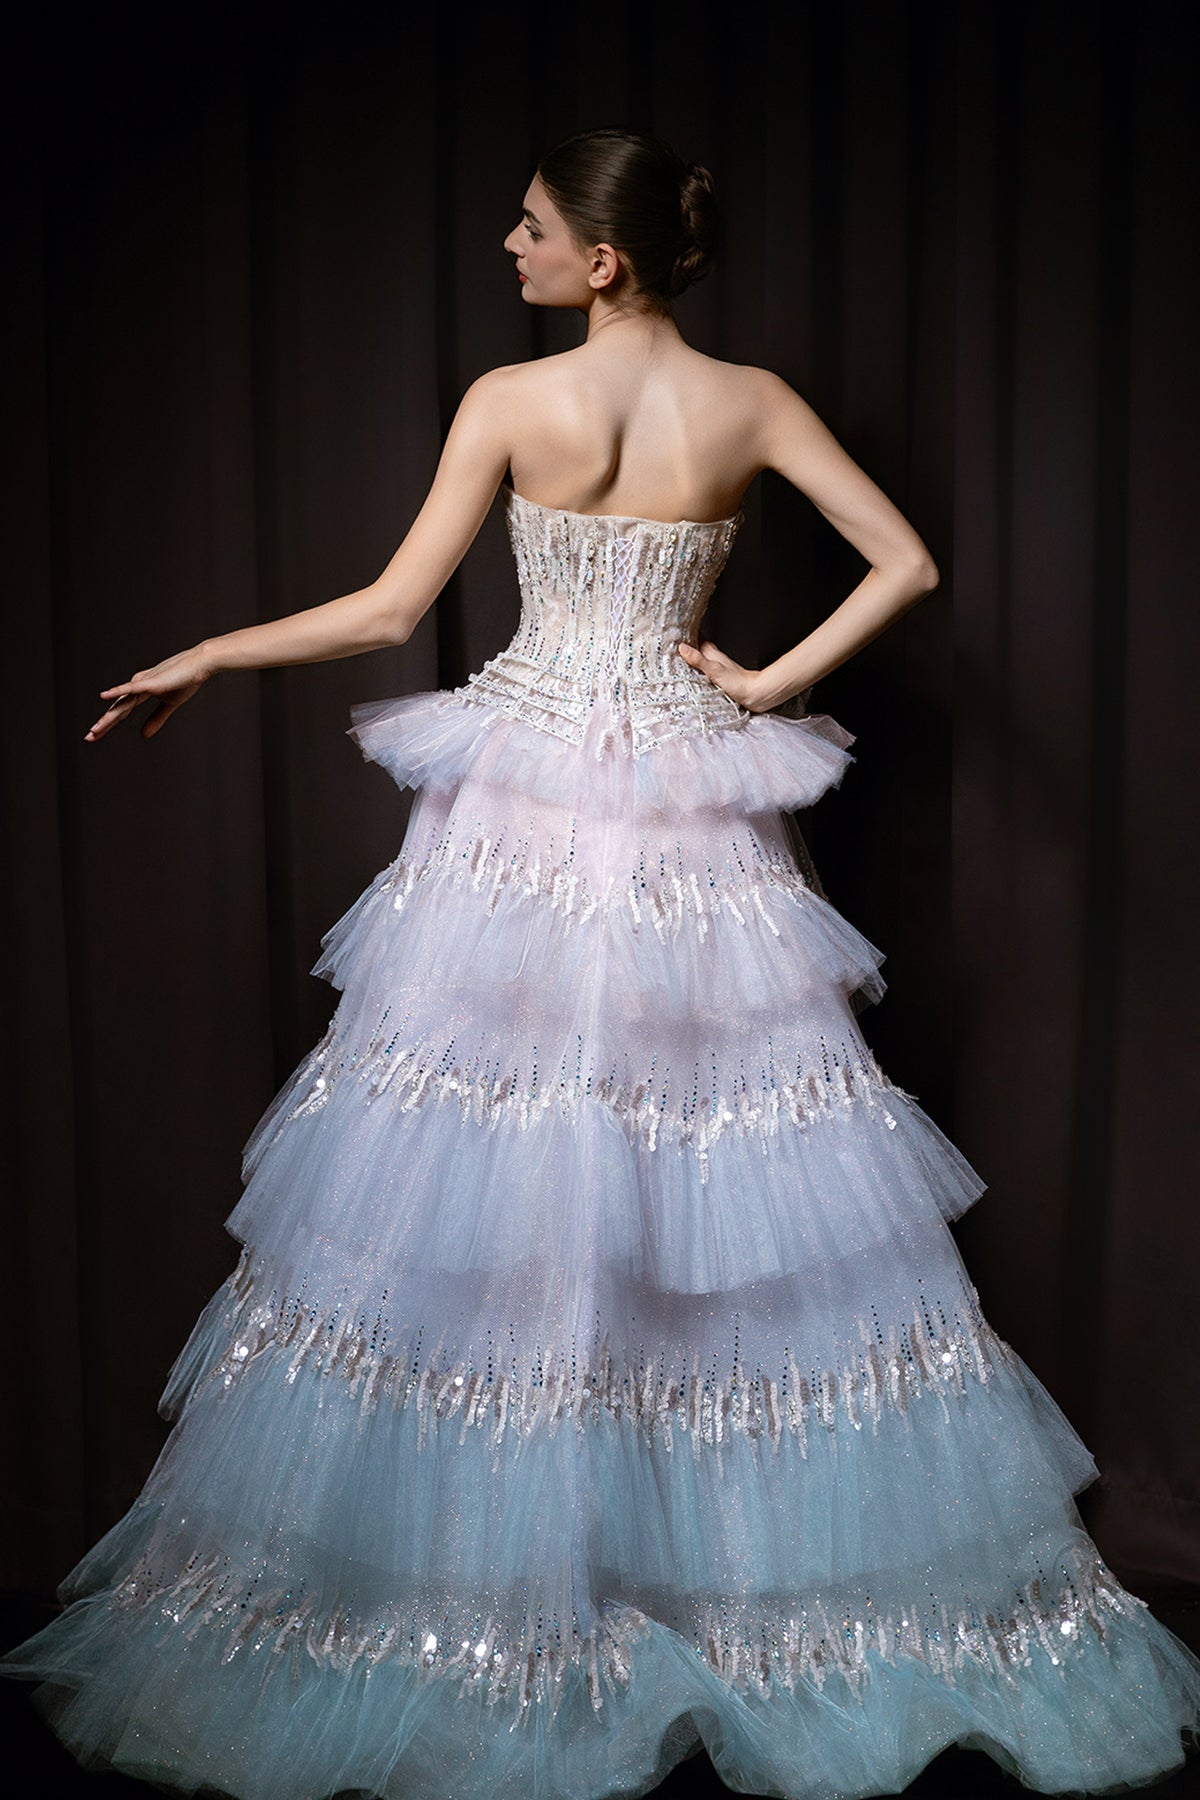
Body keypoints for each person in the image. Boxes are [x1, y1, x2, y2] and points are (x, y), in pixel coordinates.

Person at [4, 127, 1198, 1800]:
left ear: (603, 259)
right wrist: (765, 683)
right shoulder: (752, 401)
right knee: (705, 1165)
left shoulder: (512, 400)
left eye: (532, 226)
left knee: (493, 1164)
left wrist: (211, 649)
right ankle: (686, 1568)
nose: (511, 245)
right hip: (684, 799)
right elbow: (909, 562)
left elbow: (388, 610)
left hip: (526, 802)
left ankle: (518, 1591)